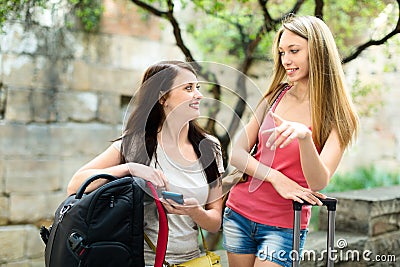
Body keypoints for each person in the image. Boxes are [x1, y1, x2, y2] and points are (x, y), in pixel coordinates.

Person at [223, 15, 359, 267]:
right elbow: (237, 153)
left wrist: (305, 137)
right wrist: (276, 177)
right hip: (239, 213)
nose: (286, 60)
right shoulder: (275, 95)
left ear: (317, 51)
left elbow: (318, 181)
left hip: (285, 224)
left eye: (294, 51)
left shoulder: (338, 116)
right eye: (282, 52)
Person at [67, 60, 224, 266]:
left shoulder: (210, 147)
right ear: (162, 97)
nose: (198, 95)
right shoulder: (134, 145)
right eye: (188, 88)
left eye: (197, 87)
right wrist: (130, 168)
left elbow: (214, 222)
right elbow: (75, 184)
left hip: (192, 262)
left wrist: (196, 212)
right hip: (142, 262)